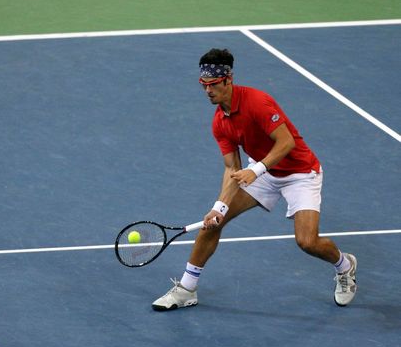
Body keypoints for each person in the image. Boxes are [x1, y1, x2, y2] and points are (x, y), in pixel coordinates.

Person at [152, 48, 357, 311]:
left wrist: (257, 169)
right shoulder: (219, 123)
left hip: (300, 174)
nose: (208, 91)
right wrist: (219, 207)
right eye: (203, 85)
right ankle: (186, 290)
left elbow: (286, 142)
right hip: (264, 173)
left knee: (307, 242)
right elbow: (232, 169)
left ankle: (345, 266)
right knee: (212, 225)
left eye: (213, 85)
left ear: (228, 79)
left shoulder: (257, 102)